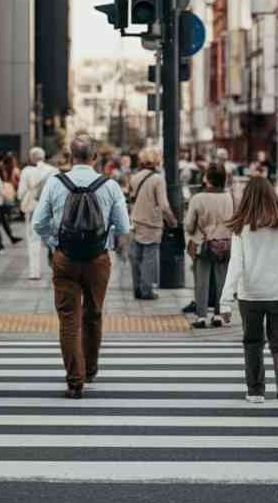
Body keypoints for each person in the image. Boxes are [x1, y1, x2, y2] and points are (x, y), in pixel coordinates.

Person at [32, 133, 131, 398]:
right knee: (94, 313)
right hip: (98, 258)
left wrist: (55, 242)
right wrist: (104, 238)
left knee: (68, 319)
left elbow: (38, 224)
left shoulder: (55, 183)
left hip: (65, 258)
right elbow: (123, 226)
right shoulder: (109, 185)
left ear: (69, 156)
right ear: (95, 157)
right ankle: (91, 368)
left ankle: (75, 381)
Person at [218, 177, 278, 416]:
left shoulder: (243, 229)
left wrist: (225, 302)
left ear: (247, 199)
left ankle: (256, 391)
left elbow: (235, 265)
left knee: (253, 342)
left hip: (251, 296)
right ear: (273, 196)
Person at [184, 163, 234, 329]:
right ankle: (218, 315)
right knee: (221, 281)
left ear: (207, 178)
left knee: (202, 281)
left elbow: (189, 225)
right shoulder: (230, 197)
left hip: (203, 244)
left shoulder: (198, 198)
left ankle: (202, 316)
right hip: (225, 244)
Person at [128, 147, 177, 300]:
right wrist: (173, 221)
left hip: (136, 220)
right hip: (152, 223)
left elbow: (131, 200)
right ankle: (147, 290)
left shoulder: (135, 177)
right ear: (156, 160)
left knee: (136, 256)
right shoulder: (158, 179)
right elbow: (163, 205)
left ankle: (137, 288)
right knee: (150, 258)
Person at [18, 147, 58, 280]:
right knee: (53, 240)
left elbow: (21, 193)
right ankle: (57, 270)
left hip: (34, 209)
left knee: (34, 241)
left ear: (31, 157)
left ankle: (34, 272)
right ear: (44, 157)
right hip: (50, 210)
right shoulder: (53, 171)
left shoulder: (26, 171)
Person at [0, 160, 22, 245]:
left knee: (3, 221)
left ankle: (11, 238)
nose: (5, 173)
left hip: (0, 204)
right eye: (3, 171)